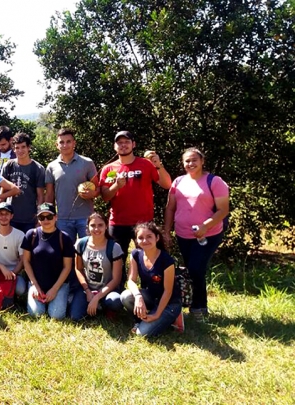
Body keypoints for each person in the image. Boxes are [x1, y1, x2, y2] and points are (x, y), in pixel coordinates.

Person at [164, 147, 229, 322]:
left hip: (208, 234)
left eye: (194, 160)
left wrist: (205, 226)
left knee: (196, 269)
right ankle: (192, 305)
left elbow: (223, 210)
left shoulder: (214, 182)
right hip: (183, 234)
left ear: (202, 161)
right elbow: (170, 208)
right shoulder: (178, 182)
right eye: (187, 161)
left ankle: (199, 308)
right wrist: (166, 231)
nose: (190, 164)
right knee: (192, 270)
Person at [99, 130, 171, 259]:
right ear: (115, 147)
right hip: (118, 223)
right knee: (116, 260)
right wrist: (116, 186)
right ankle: (120, 280)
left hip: (144, 222)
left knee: (147, 258)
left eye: (127, 142)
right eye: (119, 143)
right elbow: (105, 197)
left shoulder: (146, 164)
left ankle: (146, 279)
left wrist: (158, 165)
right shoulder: (108, 168)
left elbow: (167, 184)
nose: (123, 145)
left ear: (133, 144)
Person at [121, 222, 182, 337]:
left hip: (170, 303)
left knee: (141, 334)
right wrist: (138, 297)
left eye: (149, 237)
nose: (145, 241)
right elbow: (131, 280)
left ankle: (172, 318)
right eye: (140, 238)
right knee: (126, 296)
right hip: (151, 297)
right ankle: (139, 320)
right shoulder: (135, 254)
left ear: (157, 238)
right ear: (136, 241)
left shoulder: (166, 260)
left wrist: (157, 314)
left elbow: (168, 291)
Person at [21, 203, 74, 319]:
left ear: (56, 217)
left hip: (59, 285)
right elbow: (26, 261)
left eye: (49, 217)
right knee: (36, 314)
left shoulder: (64, 238)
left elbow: (67, 267)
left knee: (56, 315)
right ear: (38, 219)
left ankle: (65, 297)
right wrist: (35, 286)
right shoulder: (31, 235)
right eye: (42, 217)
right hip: (36, 283)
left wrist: (54, 289)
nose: (46, 220)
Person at [45, 128, 99, 240]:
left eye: (68, 141)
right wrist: (49, 215)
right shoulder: (51, 166)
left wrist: (92, 194)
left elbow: (98, 188)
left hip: (86, 217)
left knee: (89, 250)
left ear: (74, 143)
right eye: (61, 142)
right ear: (56, 145)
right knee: (66, 253)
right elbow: (49, 195)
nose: (65, 145)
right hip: (63, 219)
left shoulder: (87, 163)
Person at [70, 213, 124, 321]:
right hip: (87, 289)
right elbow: (78, 269)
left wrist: (97, 297)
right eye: (93, 225)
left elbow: (116, 279)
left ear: (106, 226)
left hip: (107, 290)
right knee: (75, 317)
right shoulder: (81, 244)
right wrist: (88, 291)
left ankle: (104, 306)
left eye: (100, 225)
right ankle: (94, 306)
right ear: (88, 227)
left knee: (115, 301)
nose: (96, 229)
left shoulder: (114, 247)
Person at [1, 132, 45, 233]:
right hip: (10, 217)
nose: (20, 151)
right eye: (17, 148)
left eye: (23, 147)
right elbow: (2, 192)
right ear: (13, 149)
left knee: (28, 248)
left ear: (29, 147)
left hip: (29, 219)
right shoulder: (8, 166)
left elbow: (40, 196)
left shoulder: (38, 168)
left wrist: (40, 217)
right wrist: (1, 213)